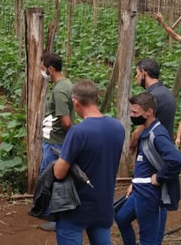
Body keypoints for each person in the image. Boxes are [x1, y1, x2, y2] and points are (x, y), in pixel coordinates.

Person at [52, 80, 124, 245]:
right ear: (97, 98)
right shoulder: (118, 128)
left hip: (76, 208)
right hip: (104, 205)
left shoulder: (78, 132)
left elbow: (59, 172)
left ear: (75, 101)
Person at [116, 92, 181, 245]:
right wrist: (134, 182)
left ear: (149, 112)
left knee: (148, 239)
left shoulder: (156, 134)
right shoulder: (146, 131)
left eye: (135, 112)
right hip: (139, 188)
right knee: (121, 217)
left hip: (148, 193)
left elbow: (176, 160)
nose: (132, 115)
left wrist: (159, 178)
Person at [38, 52, 74, 232]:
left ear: (51, 69)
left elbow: (65, 121)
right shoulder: (67, 84)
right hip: (57, 140)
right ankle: (50, 212)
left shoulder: (59, 90)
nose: (42, 71)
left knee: (51, 177)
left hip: (55, 141)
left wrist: (71, 138)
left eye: (43, 67)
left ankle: (55, 218)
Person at [135, 58, 175, 138]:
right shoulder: (168, 93)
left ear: (143, 73)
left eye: (137, 73)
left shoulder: (151, 97)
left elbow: (139, 131)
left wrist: (131, 147)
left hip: (153, 147)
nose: (136, 77)